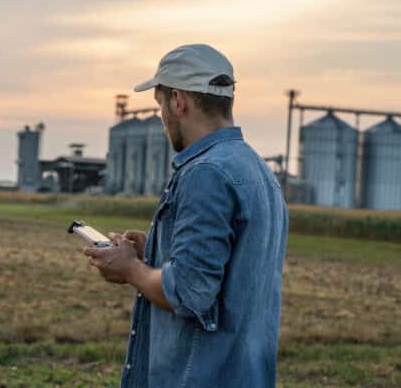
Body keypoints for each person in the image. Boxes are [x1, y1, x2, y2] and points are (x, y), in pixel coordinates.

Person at [84, 44, 288, 388]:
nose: (162, 118)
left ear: (178, 101)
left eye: (161, 105)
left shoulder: (205, 172)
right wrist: (156, 250)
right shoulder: (255, 168)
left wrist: (130, 269)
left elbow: (191, 293)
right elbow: (230, 266)